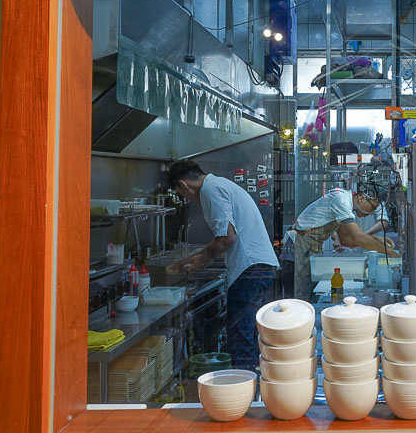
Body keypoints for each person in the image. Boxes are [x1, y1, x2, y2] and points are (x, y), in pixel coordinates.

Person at [167, 159, 279, 371]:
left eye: (182, 194)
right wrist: (193, 258)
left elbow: (226, 238)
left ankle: (242, 396)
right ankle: (253, 394)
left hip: (250, 269)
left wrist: (202, 259)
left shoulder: (210, 190)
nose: (187, 199)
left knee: (241, 338)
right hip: (258, 267)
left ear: (183, 185)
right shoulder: (219, 185)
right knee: (249, 336)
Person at [292, 186, 398, 300]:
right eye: (372, 207)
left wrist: (377, 239)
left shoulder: (345, 206)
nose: (371, 212)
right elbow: (357, 238)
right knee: (300, 293)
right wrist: (391, 253)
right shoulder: (341, 200)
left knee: (310, 290)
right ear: (361, 198)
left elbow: (346, 240)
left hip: (311, 246)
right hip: (299, 244)